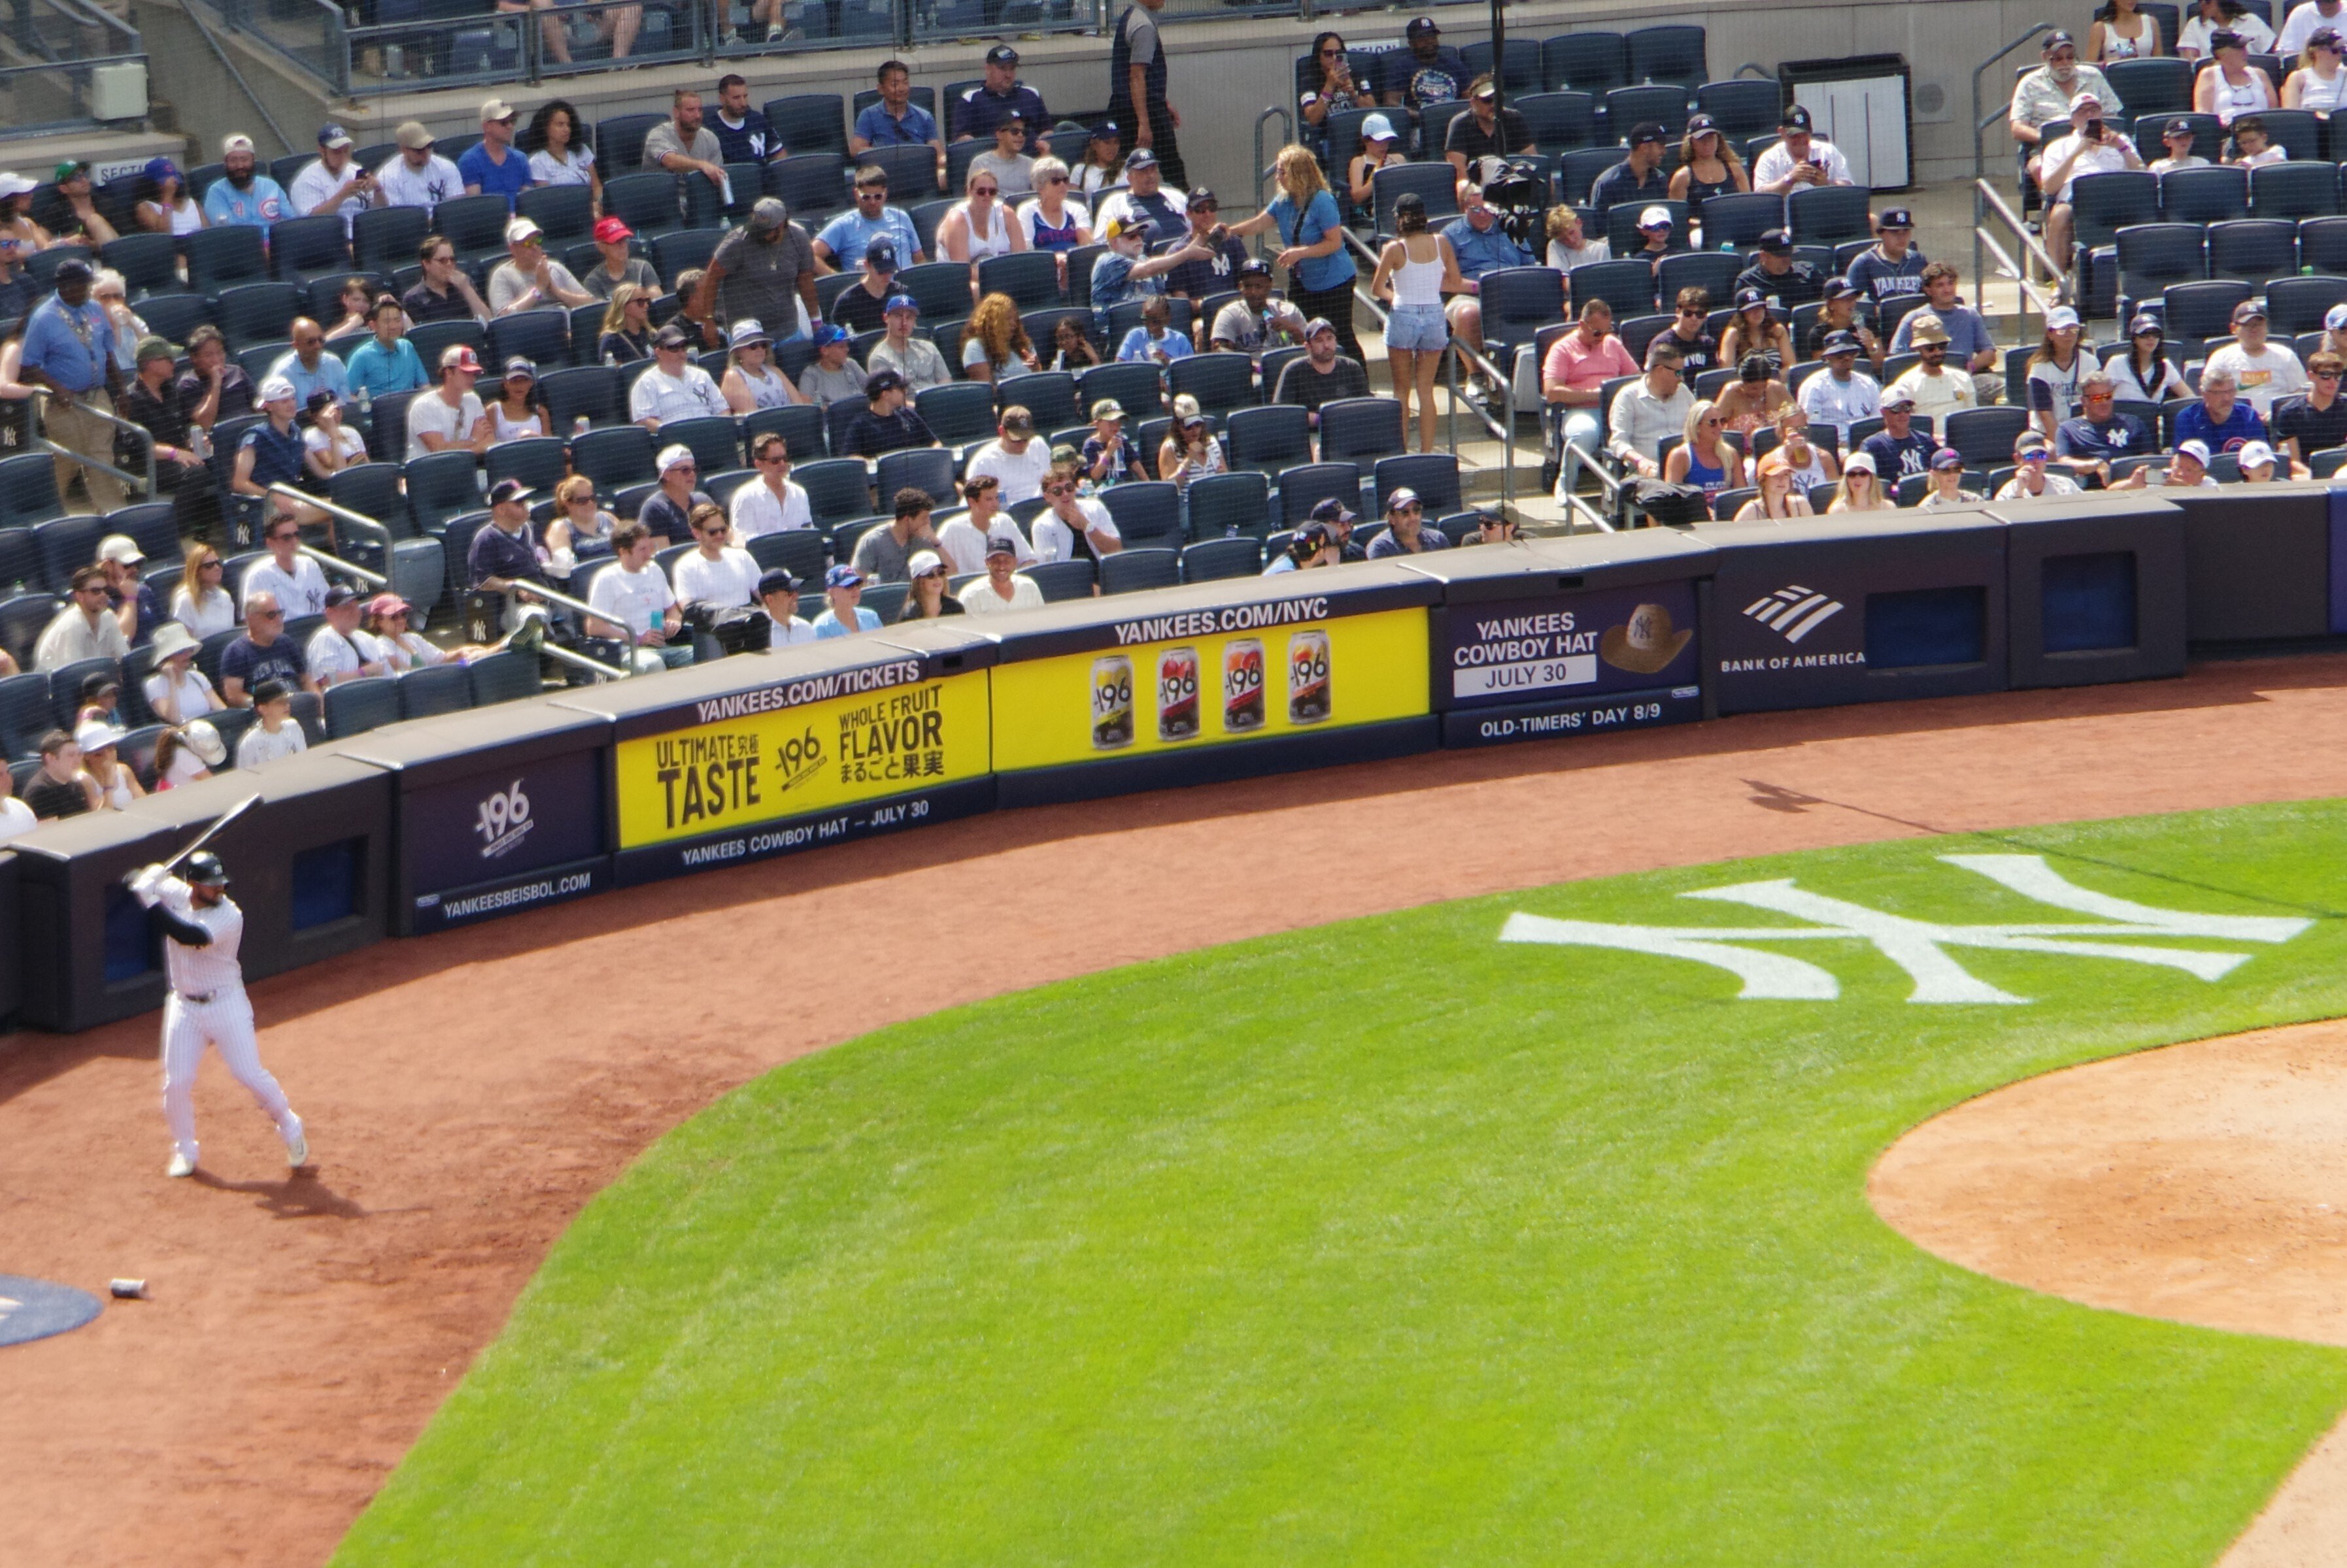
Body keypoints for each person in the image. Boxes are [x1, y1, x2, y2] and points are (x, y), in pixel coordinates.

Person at [127, 847, 311, 1178]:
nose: (220, 889)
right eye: (212, 884)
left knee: (247, 1073)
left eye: (222, 883)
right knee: (176, 1083)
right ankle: (184, 1149)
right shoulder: (177, 893)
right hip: (184, 1006)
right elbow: (142, 880)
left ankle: (289, 1123)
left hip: (226, 1003)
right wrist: (145, 876)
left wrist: (149, 899)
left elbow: (188, 936)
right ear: (193, 884)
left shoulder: (230, 916)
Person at [21, 258, 124, 510]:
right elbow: (28, 365)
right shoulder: (43, 318)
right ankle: (47, 508)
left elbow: (107, 351)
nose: (89, 290)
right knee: (69, 455)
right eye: (84, 285)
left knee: (101, 456)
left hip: (97, 394)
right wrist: (57, 388)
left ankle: (113, 514)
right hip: (63, 401)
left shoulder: (95, 309)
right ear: (66, 286)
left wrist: (122, 389)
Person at [1370, 191, 1464, 454]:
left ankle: (1401, 452)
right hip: (1435, 315)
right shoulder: (1442, 242)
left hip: (1403, 315)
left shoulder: (1393, 248)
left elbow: (1378, 289)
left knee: (1401, 391)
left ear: (1399, 219)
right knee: (1426, 390)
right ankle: (1426, 452)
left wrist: (1397, 297)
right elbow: (1455, 282)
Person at [1436, 180, 1537, 393]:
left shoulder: (1511, 228)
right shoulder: (1449, 235)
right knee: (1468, 314)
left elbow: (1530, 266)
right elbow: (1444, 281)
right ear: (1465, 207)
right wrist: (1481, 287)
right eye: (1475, 209)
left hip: (1513, 292)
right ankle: (1476, 376)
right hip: (1471, 294)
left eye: (1487, 209)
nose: (1482, 214)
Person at [118, 333, 216, 540]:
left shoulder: (172, 391)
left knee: (219, 461)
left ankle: (204, 524)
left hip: (178, 456)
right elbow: (137, 446)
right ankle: (173, 532)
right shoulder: (131, 398)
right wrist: (175, 453)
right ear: (150, 364)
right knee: (197, 473)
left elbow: (187, 425)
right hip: (150, 464)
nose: (174, 363)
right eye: (168, 359)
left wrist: (195, 442)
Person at [2039, 91, 2147, 264]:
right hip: (2078, 200)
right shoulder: (2058, 147)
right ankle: (2060, 281)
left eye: (2094, 110)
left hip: (2120, 196)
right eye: (2083, 111)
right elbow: (2049, 188)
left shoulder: (2121, 141)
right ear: (2073, 120)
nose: (2089, 114)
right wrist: (2076, 152)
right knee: (2059, 214)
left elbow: (2144, 176)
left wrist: (2122, 148)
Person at [1545, 298, 1640, 493]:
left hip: (1616, 408)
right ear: (1582, 325)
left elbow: (1636, 378)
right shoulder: (1561, 349)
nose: (1601, 337)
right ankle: (1566, 484)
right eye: (1597, 332)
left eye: (1606, 331)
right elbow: (1552, 392)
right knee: (1584, 433)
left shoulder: (1612, 343)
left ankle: (1636, 488)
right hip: (1581, 410)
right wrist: (1595, 395)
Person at [703, 197, 820, 341]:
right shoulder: (737, 242)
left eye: (767, 231)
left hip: (788, 331)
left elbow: (806, 281)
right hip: (748, 339)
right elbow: (711, 277)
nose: (762, 234)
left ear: (782, 224)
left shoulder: (799, 238)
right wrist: (708, 320)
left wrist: (815, 320)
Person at [588, 520, 692, 671]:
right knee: (652, 664)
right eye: (642, 549)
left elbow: (673, 609)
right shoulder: (607, 578)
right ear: (623, 551)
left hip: (663, 646)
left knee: (698, 655)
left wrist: (673, 621)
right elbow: (594, 626)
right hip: (629, 651)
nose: (648, 555)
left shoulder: (654, 570)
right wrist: (638, 639)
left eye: (649, 548)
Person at [1109, 0, 1186, 186]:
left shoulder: (1133, 16)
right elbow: (1137, 75)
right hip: (1141, 113)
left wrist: (1164, 102)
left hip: (1135, 107)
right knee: (1171, 172)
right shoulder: (1143, 26)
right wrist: (1144, 123)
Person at [1089, 216, 1209, 328]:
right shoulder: (1107, 260)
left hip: (1149, 328)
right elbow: (1148, 269)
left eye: (1140, 234)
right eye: (1131, 236)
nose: (1139, 239)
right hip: (1114, 332)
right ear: (1114, 242)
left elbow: (1161, 296)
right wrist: (1187, 253)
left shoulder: (1144, 260)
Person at [2010, 31, 2117, 155]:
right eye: (2058, 58)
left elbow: (2113, 117)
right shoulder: (2029, 84)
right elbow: (2018, 128)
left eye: (2070, 57)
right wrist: (2045, 138)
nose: (2065, 63)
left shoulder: (2093, 76)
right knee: (2038, 167)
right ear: (2045, 57)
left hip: (2095, 145)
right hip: (2049, 149)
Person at [1891, 263, 2001, 379]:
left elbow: (1989, 354)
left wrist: (1970, 368)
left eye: (1951, 284)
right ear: (1928, 290)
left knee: (2001, 386)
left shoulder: (1970, 315)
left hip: (1965, 378)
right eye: (1940, 286)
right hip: (1927, 379)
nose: (1947, 290)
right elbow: (1897, 356)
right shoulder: (1914, 318)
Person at [2206, 298, 2308, 418]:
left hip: (2280, 423)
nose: (2254, 329)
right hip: (2236, 422)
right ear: (2233, 329)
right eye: (2247, 325)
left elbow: (2301, 394)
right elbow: (2210, 395)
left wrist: (2278, 413)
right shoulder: (2221, 358)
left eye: (2259, 324)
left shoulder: (2285, 355)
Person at [813, 168, 925, 273]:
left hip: (904, 288)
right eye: (866, 197)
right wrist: (838, 280)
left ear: (885, 194)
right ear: (856, 194)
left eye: (878, 196)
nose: (873, 202)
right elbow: (811, 255)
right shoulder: (843, 225)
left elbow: (919, 259)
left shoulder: (901, 217)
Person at [1273, 318, 1373, 432]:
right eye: (1319, 340)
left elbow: (1367, 406)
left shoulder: (1352, 367)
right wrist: (1318, 419)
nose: (1326, 345)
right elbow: (1282, 414)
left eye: (1330, 338)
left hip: (1348, 431)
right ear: (1308, 347)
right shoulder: (1293, 371)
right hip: (1309, 434)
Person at [1885, 316, 1978, 439]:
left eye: (1942, 347)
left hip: (1963, 441)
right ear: (1918, 349)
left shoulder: (1963, 377)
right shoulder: (1906, 384)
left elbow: (1972, 417)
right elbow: (1905, 425)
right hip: (1925, 444)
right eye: (1930, 348)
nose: (1938, 352)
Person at [469, 480, 553, 612]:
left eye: (526, 501)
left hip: (546, 595)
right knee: (536, 617)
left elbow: (544, 559)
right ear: (501, 509)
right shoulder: (486, 538)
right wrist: (516, 588)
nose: (526, 506)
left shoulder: (532, 528)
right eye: (519, 503)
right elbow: (483, 582)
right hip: (510, 606)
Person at [2054, 373, 2155, 482]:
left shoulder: (2133, 423)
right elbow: (2064, 462)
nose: (2104, 403)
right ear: (2084, 401)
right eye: (2097, 398)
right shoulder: (2068, 429)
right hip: (2092, 488)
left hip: (2132, 482)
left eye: (2108, 397)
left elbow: (2148, 458)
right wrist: (2095, 464)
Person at [218, 592, 314, 705]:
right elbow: (234, 696)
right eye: (271, 615)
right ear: (252, 619)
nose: (279, 619)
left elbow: (306, 680)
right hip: (266, 716)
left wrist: (317, 700)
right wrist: (266, 706)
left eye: (280, 613)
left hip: (298, 706)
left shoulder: (286, 642)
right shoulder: (236, 652)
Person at [488, 218, 594, 318]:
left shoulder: (555, 267)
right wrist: (539, 289)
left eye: (537, 241)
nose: (535, 247)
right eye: (528, 243)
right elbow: (503, 317)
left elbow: (591, 304)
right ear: (513, 249)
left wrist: (558, 292)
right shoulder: (502, 275)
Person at [1209, 256, 1307, 365]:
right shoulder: (1230, 313)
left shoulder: (1289, 311)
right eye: (1248, 286)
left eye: (1259, 286)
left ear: (1269, 285)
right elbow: (1218, 349)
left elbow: (1310, 347)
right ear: (1241, 286)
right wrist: (1249, 364)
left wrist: (1293, 329)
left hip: (1284, 368)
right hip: (1248, 374)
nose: (1253, 292)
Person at [959, 42, 1053, 154]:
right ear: (988, 69)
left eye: (1012, 68)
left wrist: (1044, 143)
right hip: (990, 166)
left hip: (1032, 162)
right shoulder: (971, 99)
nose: (1008, 74)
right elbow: (962, 140)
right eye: (1003, 69)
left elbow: (1047, 131)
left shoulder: (1031, 95)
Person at [939, 165, 1030, 280]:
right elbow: (963, 273)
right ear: (969, 191)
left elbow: (1020, 259)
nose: (987, 195)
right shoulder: (957, 219)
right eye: (981, 191)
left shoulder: (1007, 214)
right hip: (963, 282)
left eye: (992, 192)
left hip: (1002, 277)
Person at [630, 325, 730, 430]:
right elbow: (644, 421)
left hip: (710, 434)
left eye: (683, 348)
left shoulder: (702, 375)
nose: (681, 353)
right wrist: (675, 432)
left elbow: (723, 410)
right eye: (674, 348)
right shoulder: (647, 382)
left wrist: (718, 430)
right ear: (658, 352)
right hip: (674, 442)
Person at [241, 509, 331, 620]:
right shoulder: (258, 575)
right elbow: (251, 620)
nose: (294, 541)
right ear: (270, 543)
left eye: (296, 535)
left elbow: (328, 604)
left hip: (314, 629)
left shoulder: (310, 564)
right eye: (286, 538)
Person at [1797, 329, 1881, 448]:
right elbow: (1814, 428)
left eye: (1851, 353)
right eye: (1840, 355)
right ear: (1827, 358)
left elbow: (1878, 422)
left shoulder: (1869, 384)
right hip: (1834, 448)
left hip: (1868, 445)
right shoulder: (1814, 386)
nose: (1847, 358)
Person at [671, 502, 762, 610]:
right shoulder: (686, 566)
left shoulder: (743, 557)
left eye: (723, 530)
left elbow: (765, 596)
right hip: (715, 624)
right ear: (697, 534)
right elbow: (688, 608)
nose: (720, 535)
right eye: (712, 532)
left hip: (749, 622)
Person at [37, 564, 130, 669]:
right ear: (79, 596)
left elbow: (124, 659)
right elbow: (74, 674)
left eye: (106, 590)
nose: (103, 595)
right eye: (96, 591)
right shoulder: (71, 625)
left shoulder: (109, 617)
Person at [407, 344, 490, 461]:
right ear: (449, 372)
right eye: (466, 373)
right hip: (429, 472)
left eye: (474, 374)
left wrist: (464, 449)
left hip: (465, 469)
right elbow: (439, 450)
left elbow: (490, 440)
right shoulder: (424, 405)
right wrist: (475, 440)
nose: (472, 378)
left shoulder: (473, 399)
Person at [1445, 77, 1534, 181]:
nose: (1494, 105)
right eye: (1488, 101)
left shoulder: (1514, 118)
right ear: (1473, 102)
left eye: (1498, 100)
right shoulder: (1460, 123)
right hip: (1476, 184)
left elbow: (1531, 160)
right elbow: (1460, 172)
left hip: (1510, 183)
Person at [1093, 146, 1190, 242]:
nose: (1151, 176)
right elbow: (1102, 244)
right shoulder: (1115, 204)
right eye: (1144, 171)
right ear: (1130, 178)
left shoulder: (1176, 197)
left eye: (1153, 169)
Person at [1032, 462, 1124, 562]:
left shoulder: (1096, 508)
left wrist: (1088, 527)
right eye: (1057, 491)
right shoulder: (1042, 526)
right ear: (1047, 497)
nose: (1065, 494)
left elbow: (1116, 550)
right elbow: (1049, 570)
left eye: (1069, 488)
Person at [1662, 399, 1745, 511]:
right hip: (1696, 519)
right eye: (1713, 423)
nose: (1720, 427)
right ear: (1697, 426)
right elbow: (1673, 500)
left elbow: (1740, 496)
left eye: (1722, 421)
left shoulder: (1731, 454)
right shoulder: (1680, 456)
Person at [2022, 306, 2092, 439]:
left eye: (2073, 330)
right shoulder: (2039, 368)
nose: (2069, 335)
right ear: (2050, 334)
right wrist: (2062, 445)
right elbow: (2045, 414)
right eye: (2062, 331)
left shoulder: (2090, 362)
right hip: (2046, 433)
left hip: (2082, 430)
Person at [1670, 114, 1751, 226]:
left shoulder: (1735, 170)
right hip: (1699, 232)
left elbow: (1747, 205)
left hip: (1735, 226)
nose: (1707, 143)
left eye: (1711, 137)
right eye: (1701, 139)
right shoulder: (1683, 177)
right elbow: (1678, 216)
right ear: (1691, 142)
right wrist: (1706, 224)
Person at [853, 59, 943, 160]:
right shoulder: (868, 115)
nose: (902, 89)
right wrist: (888, 155)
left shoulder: (924, 116)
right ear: (881, 89)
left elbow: (938, 154)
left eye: (905, 83)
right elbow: (856, 150)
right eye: (895, 85)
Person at [646, 88, 728, 197]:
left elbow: (717, 179)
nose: (697, 116)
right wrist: (702, 165)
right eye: (691, 110)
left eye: (700, 110)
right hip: (661, 200)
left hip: (699, 200)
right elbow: (670, 161)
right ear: (676, 112)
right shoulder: (659, 134)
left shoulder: (710, 138)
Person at [838, 368, 936, 459]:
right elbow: (852, 456)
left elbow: (934, 443)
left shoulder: (909, 415)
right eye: (901, 388)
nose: (905, 392)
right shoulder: (861, 425)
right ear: (886, 394)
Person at [522, 99, 602, 212]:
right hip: (563, 214)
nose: (567, 130)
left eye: (569, 125)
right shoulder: (537, 162)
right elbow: (548, 201)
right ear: (546, 128)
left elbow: (597, 187)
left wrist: (599, 203)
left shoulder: (582, 150)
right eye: (560, 125)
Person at [1754, 105, 1855, 193]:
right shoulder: (1769, 158)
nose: (1801, 140)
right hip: (1786, 213)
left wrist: (1826, 185)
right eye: (1795, 135)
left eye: (1804, 134)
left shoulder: (1828, 152)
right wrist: (1789, 180)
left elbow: (1849, 189)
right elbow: (1761, 195)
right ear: (1782, 132)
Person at [731, 433, 813, 541]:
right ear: (759, 464)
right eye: (775, 461)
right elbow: (744, 543)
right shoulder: (746, 498)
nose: (783, 464)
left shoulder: (800, 493)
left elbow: (808, 535)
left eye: (785, 458)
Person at [965, 407, 1053, 505]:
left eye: (1027, 438)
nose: (1023, 443)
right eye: (1017, 439)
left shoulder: (1039, 446)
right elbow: (974, 504)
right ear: (1002, 432)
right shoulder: (984, 462)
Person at [302, 584, 385, 688]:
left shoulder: (367, 638)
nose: (354, 612)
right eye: (347, 608)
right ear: (330, 613)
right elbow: (328, 681)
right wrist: (364, 672)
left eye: (356, 606)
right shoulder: (324, 639)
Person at [2272, 350, 2347, 465]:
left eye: (2337, 376)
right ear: (2311, 376)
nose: (2333, 381)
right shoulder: (2290, 413)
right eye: (2326, 375)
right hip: (2306, 476)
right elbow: (2294, 461)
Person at [202, 133, 288, 232]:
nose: (240, 166)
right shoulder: (216, 192)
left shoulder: (271, 186)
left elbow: (290, 221)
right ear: (225, 163)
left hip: (275, 244)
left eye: (244, 160)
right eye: (233, 160)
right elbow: (229, 232)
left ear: (253, 160)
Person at [143, 621, 224, 726]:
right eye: (180, 652)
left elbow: (221, 711)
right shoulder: (154, 684)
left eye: (189, 650)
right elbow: (174, 719)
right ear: (167, 657)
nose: (187, 655)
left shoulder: (198, 677)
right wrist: (171, 679)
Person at [458, 98, 532, 211]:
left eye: (513, 121)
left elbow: (528, 203)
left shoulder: (521, 159)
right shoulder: (470, 161)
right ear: (487, 126)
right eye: (504, 122)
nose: (510, 127)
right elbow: (475, 208)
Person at [377, 122, 462, 219]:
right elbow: (398, 218)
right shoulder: (389, 176)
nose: (426, 153)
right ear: (404, 150)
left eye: (429, 146)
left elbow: (456, 207)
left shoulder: (446, 166)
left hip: (444, 227)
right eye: (419, 150)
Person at [1017, 158, 1093, 263]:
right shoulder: (1027, 211)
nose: (1062, 185)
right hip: (1043, 269)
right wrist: (1055, 260)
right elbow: (1028, 251)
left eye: (1065, 180)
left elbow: (1087, 246)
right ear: (1040, 187)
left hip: (1074, 267)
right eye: (1056, 181)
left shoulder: (1077, 209)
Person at [2176, 365, 2269, 451]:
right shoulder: (2187, 419)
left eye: (2231, 391)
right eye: (2218, 393)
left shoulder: (2249, 417)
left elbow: (2261, 454)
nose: (2227, 399)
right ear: (2204, 394)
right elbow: (2184, 461)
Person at [2197, 28, 2282, 121]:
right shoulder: (2209, 75)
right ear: (2222, 53)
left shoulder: (2260, 74)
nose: (2246, 53)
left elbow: (2273, 114)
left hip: (2259, 131)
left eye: (2245, 48)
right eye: (2240, 48)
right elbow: (2204, 116)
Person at [1844, 209, 1925, 304]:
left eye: (1906, 231)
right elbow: (1849, 303)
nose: (1901, 237)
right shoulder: (1864, 263)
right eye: (1895, 232)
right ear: (1881, 233)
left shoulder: (1919, 260)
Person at [1734, 229, 1827, 314]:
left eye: (1789, 254)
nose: (1787, 260)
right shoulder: (1748, 282)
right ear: (1764, 256)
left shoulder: (1809, 271)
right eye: (1780, 256)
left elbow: (1829, 301)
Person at [403, 235, 490, 325]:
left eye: (452, 260)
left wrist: (466, 289)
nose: (449, 264)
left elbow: (488, 323)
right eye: (443, 260)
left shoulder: (465, 283)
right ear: (426, 264)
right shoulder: (413, 298)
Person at [1589, 122, 1670, 215]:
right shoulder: (1608, 184)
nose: (1664, 152)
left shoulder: (1660, 180)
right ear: (1645, 148)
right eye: (1660, 147)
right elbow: (1600, 225)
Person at [722, 322, 805, 412]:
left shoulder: (774, 371)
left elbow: (800, 405)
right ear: (738, 351)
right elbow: (754, 419)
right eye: (753, 346)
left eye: (763, 345)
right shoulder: (734, 377)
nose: (760, 349)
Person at [546, 473, 616, 576]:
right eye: (583, 501)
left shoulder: (608, 518)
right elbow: (562, 571)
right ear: (568, 503)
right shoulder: (560, 528)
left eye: (593, 498)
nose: (590, 503)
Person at [960, 531, 1047, 614]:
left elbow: (1042, 622)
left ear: (1015, 562)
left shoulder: (1029, 588)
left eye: (1007, 561)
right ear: (987, 562)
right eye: (996, 561)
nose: (1002, 566)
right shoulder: (971, 596)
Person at [709, 73, 787, 167]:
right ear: (722, 99)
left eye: (745, 96)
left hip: (761, 179)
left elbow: (779, 154)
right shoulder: (710, 127)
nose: (743, 103)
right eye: (736, 98)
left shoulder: (757, 120)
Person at [637, 447, 710, 547]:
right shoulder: (654, 509)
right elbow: (664, 556)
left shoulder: (703, 501)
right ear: (667, 475)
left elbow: (723, 538)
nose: (692, 474)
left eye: (694, 469)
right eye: (685, 470)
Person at [1859, 390, 1938, 482]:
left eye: (1907, 409)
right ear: (1883, 412)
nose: (1903, 414)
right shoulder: (1872, 446)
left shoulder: (1925, 440)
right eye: (1896, 409)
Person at [358, 594, 446, 672]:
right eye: (394, 617)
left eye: (404, 615)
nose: (401, 620)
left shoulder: (412, 637)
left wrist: (459, 653)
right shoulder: (382, 645)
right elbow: (409, 675)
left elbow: (441, 659)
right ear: (379, 622)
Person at [235, 678, 308, 769]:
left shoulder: (293, 726)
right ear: (262, 709)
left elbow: (304, 760)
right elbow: (245, 777)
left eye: (287, 701)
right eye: (279, 703)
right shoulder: (250, 743)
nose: (286, 706)